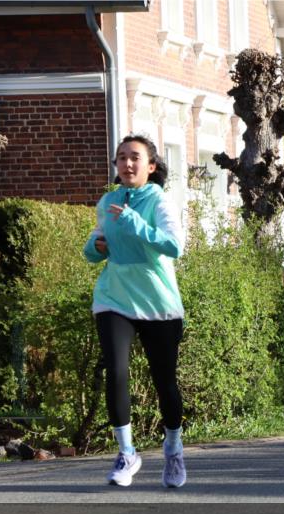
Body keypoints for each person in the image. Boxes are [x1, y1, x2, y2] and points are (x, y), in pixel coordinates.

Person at [83, 135, 187, 488]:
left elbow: (174, 246)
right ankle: (127, 452)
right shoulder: (108, 200)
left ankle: (173, 449)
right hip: (114, 297)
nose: (127, 164)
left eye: (135, 158)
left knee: (165, 383)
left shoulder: (159, 201)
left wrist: (134, 224)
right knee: (117, 371)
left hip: (158, 303)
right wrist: (95, 247)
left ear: (151, 166)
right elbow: (97, 244)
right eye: (121, 158)